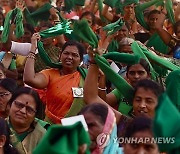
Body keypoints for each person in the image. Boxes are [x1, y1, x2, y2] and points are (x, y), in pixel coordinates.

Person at [23, 33, 87, 124]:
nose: (69, 57)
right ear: (60, 55)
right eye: (66, 53)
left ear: (81, 60)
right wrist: (33, 48)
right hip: (52, 128)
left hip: (75, 130)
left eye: (74, 55)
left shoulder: (86, 77)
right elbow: (29, 79)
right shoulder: (50, 74)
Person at [7, 87, 46, 154]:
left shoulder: (42, 136)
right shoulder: (2, 126)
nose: (23, 111)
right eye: (19, 105)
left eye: (29, 109)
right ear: (10, 104)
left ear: (35, 115)